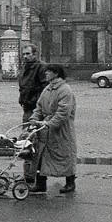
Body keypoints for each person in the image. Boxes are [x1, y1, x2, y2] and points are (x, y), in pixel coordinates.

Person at [28, 64, 77, 194]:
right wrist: (33, 118)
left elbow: (63, 113)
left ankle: (70, 182)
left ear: (56, 74)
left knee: (64, 155)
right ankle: (40, 183)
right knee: (41, 155)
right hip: (46, 128)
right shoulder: (47, 89)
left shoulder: (65, 90)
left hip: (61, 130)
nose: (46, 74)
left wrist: (49, 123)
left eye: (48, 72)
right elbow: (39, 107)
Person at [18, 43, 46, 184]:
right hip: (26, 108)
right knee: (26, 142)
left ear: (35, 54)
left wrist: (35, 103)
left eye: (28, 54)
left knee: (33, 142)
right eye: (24, 54)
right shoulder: (25, 67)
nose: (25, 56)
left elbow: (44, 89)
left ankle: (33, 175)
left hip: (35, 110)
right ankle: (28, 174)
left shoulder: (40, 67)